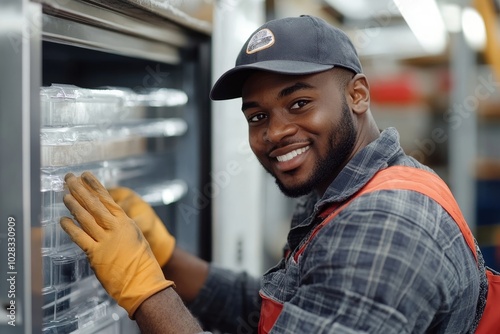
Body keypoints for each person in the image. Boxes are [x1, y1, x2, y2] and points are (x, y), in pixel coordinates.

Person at [61, 15, 488, 333]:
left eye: (299, 103)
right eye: (258, 115)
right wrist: (165, 258)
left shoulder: (386, 225)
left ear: (357, 94)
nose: (276, 132)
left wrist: (144, 290)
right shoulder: (352, 185)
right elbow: (291, 309)